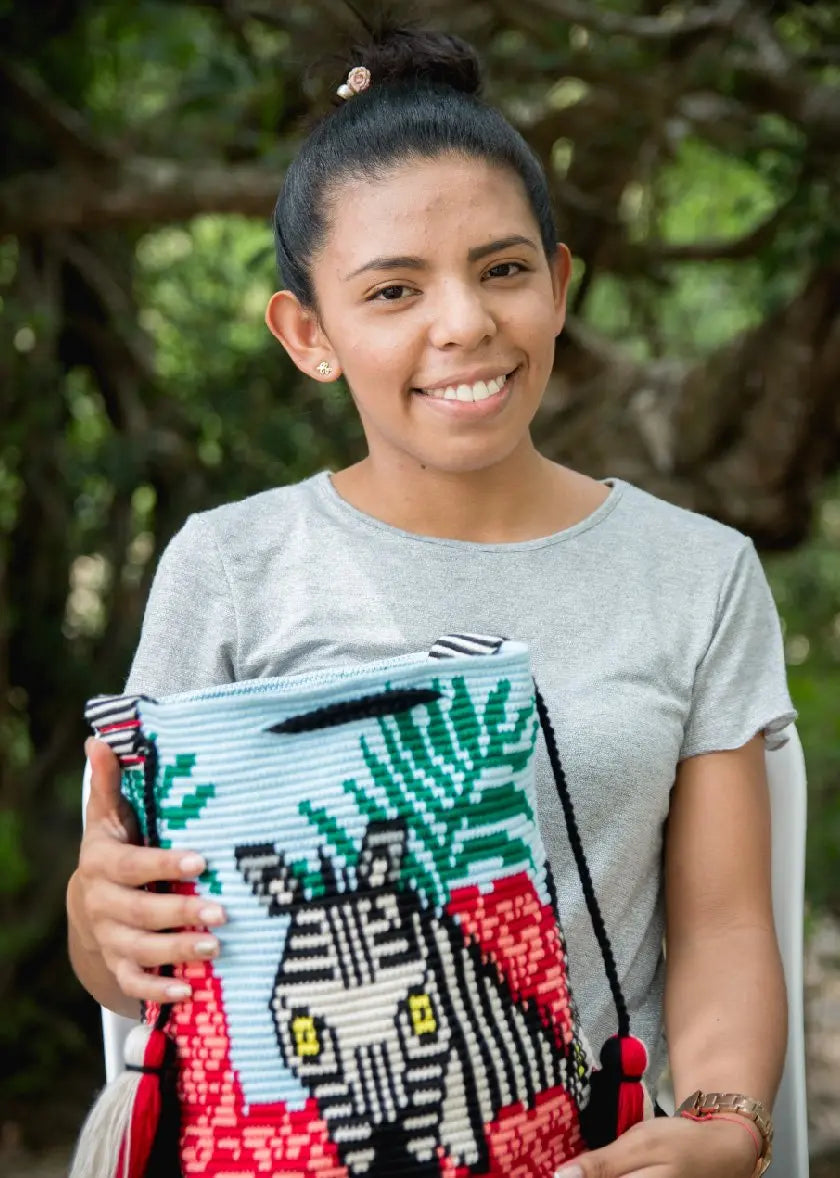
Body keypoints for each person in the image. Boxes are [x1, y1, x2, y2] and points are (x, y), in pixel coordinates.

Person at [66, 25, 796, 1178]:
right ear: (309, 334)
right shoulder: (231, 564)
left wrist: (722, 1122)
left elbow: (725, 922)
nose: (463, 323)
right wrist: (101, 919)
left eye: (502, 270)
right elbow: (131, 956)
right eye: (394, 289)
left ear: (559, 285)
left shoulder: (696, 573)